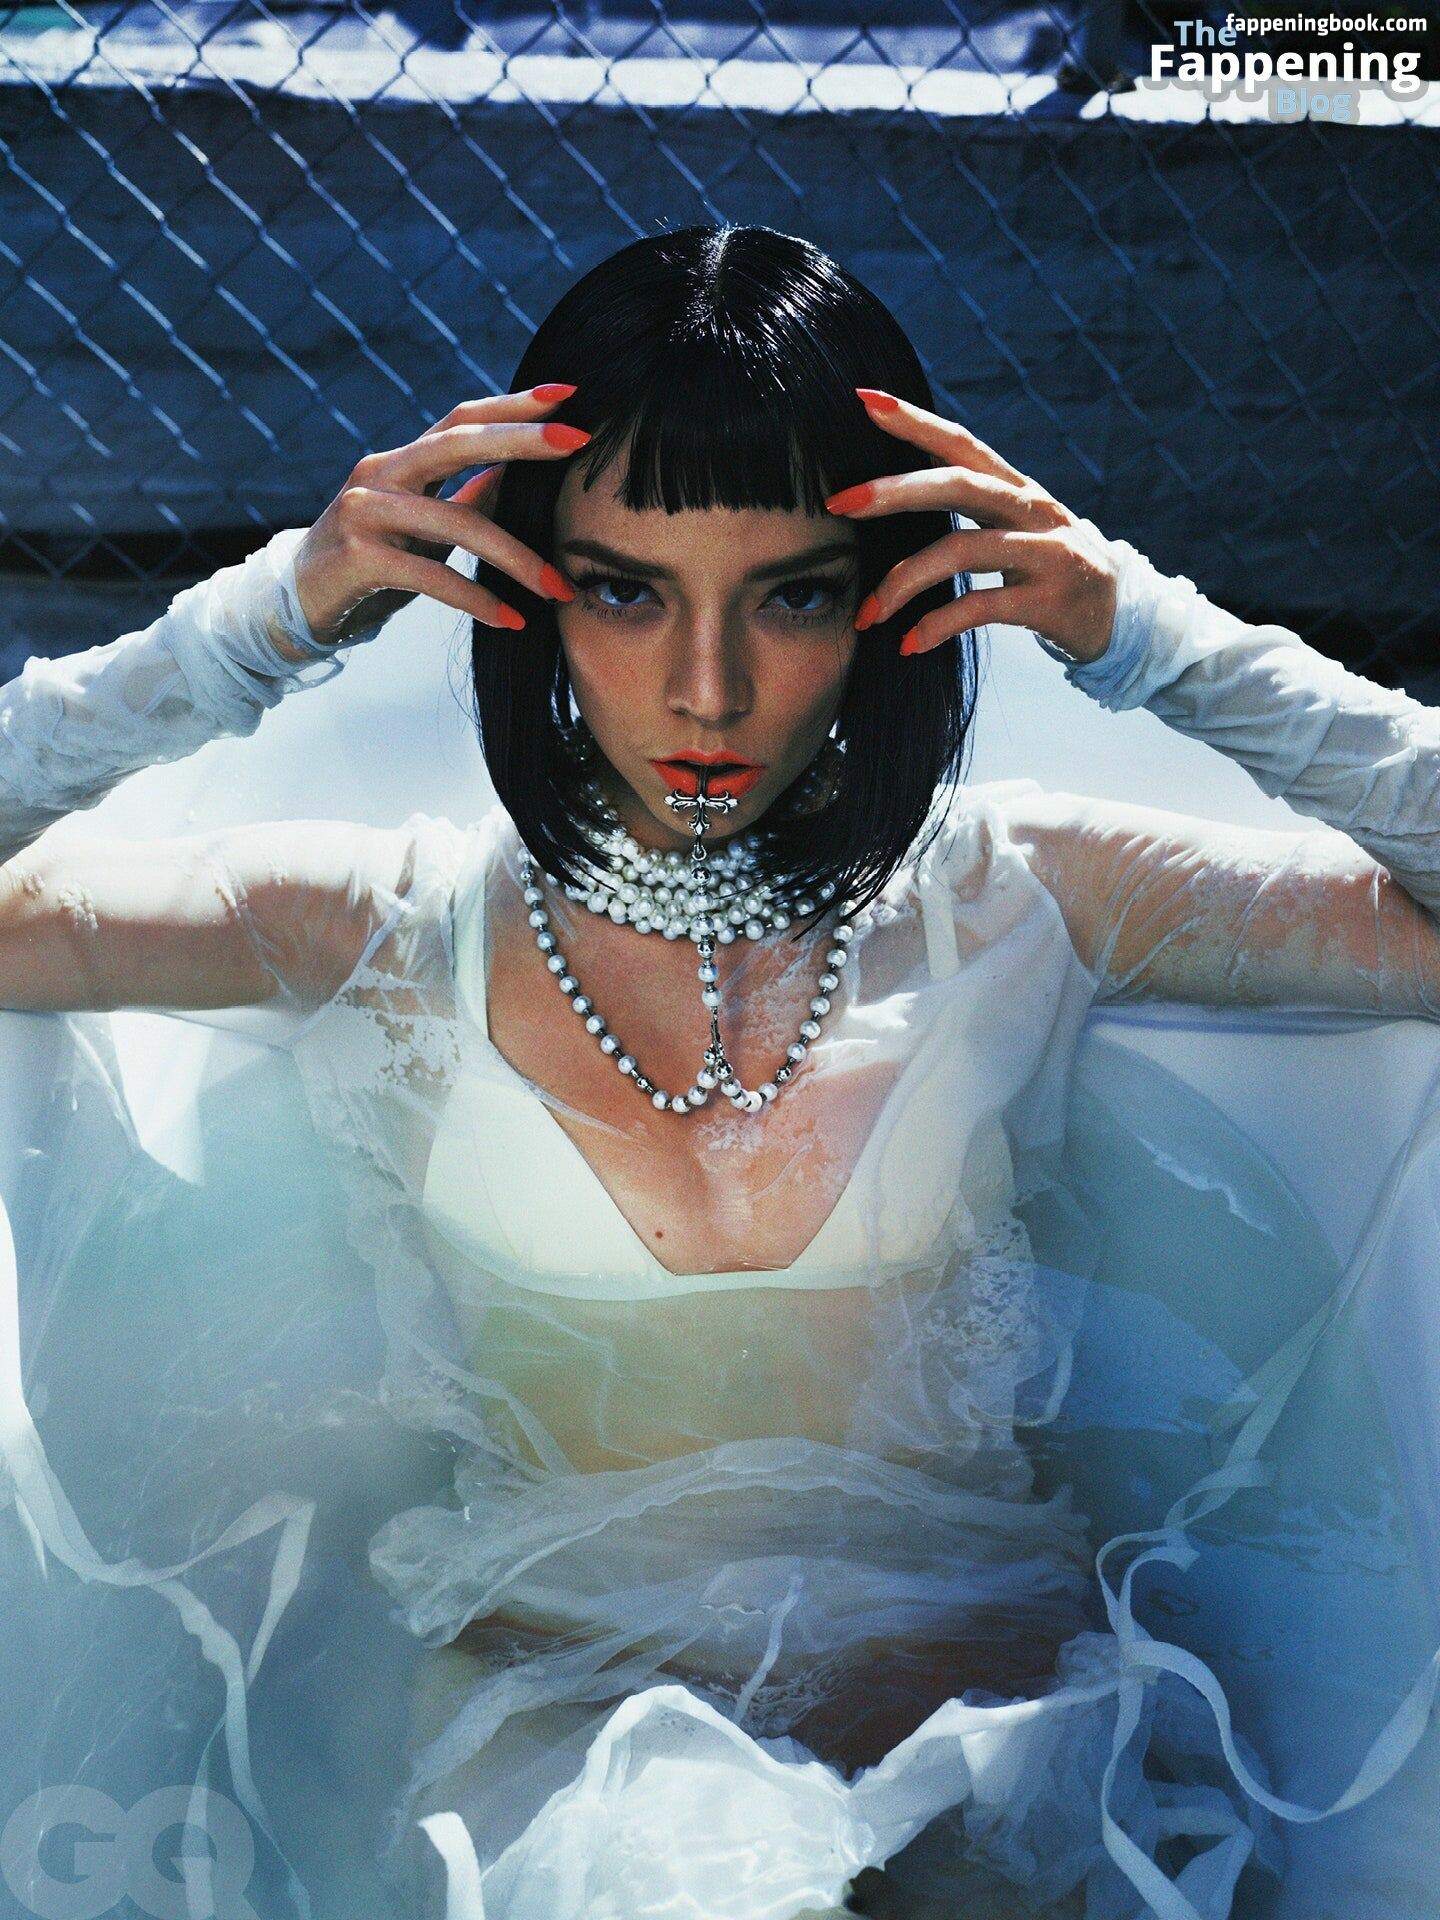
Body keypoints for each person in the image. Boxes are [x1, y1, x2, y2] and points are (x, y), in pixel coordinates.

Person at [1, 223, 1437, 1920]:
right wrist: (257, 631)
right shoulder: (387, 927)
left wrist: (1148, 638)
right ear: (529, 590)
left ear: (893, 597)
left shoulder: (1018, 899)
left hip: (980, 1711)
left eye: (793, 594)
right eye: (626, 590)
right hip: (565, 1716)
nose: (708, 689)